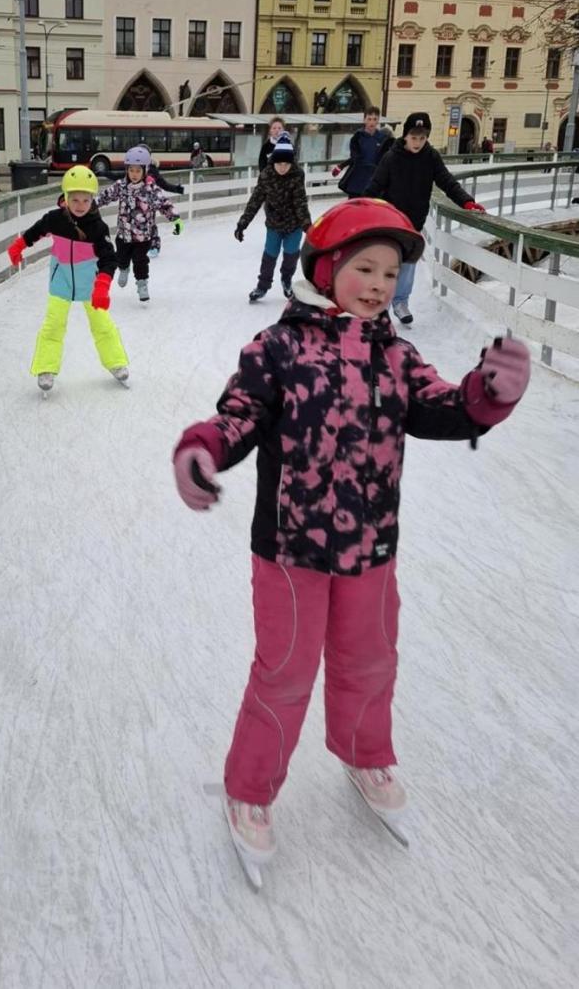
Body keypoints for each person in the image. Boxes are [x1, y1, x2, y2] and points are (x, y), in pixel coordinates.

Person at [172, 198, 530, 872]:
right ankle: (249, 790)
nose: (377, 285)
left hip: (371, 546)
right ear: (326, 268)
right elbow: (238, 417)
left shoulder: (394, 354)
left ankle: (366, 755)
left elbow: (444, 409)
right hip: (290, 548)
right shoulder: (276, 348)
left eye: (389, 274)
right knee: (283, 672)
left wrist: (489, 393)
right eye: (364, 268)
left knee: (370, 660)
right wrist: (201, 449)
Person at [5, 165, 129, 394]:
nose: (80, 205)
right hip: (60, 280)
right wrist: (19, 246)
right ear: (65, 199)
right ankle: (45, 368)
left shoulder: (98, 227)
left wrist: (102, 286)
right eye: (75, 200)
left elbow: (109, 259)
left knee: (102, 325)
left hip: (89, 284)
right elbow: (36, 231)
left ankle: (116, 362)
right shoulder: (55, 219)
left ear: (92, 200)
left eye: (85, 200)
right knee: (53, 325)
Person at [364, 112, 485, 325]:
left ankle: (400, 302)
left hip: (414, 221)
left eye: (422, 138)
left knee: (409, 263)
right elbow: (375, 185)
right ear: (405, 136)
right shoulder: (392, 158)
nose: (418, 142)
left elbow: (447, 181)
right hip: (391, 220)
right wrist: (362, 207)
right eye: (414, 138)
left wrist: (466, 201)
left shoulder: (431, 157)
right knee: (387, 262)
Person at [96, 146, 182, 302]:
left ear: (145, 171)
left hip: (143, 237)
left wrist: (175, 219)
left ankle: (142, 284)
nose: (134, 174)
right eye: (131, 170)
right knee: (121, 258)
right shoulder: (121, 186)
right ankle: (124, 268)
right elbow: (105, 196)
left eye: (138, 171)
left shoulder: (150, 189)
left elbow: (164, 204)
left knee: (140, 261)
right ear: (127, 170)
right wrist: (91, 205)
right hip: (124, 234)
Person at [234, 133, 311, 302]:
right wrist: (243, 223)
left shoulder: (297, 174)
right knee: (270, 255)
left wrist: (308, 227)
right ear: (273, 161)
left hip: (294, 225)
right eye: (279, 163)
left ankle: (286, 280)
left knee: (291, 255)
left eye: (286, 164)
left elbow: (300, 202)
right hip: (274, 224)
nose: (283, 167)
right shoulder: (267, 175)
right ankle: (262, 286)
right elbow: (255, 200)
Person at [331, 106, 393, 196]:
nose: (372, 122)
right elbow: (354, 157)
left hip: (374, 179)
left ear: (378, 120)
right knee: (355, 205)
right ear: (364, 120)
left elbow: (386, 159)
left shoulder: (383, 138)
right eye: (369, 119)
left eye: (375, 119)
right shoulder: (358, 137)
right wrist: (341, 166)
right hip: (358, 179)